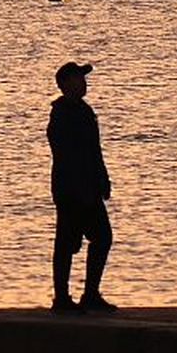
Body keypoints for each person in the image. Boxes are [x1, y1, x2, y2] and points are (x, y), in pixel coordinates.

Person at [47, 61, 115, 312]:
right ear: (65, 84)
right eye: (78, 78)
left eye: (83, 78)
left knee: (102, 238)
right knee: (67, 242)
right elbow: (66, 154)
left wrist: (102, 178)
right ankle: (62, 298)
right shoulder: (62, 114)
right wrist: (79, 188)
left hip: (89, 188)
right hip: (71, 190)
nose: (84, 82)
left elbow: (94, 151)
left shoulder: (84, 112)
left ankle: (90, 294)